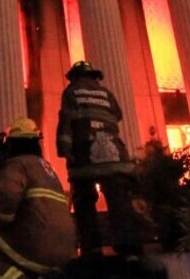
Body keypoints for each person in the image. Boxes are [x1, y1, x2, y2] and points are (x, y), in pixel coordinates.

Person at [57, 60, 142, 263]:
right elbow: (118, 116)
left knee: (84, 200)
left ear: (74, 77)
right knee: (119, 201)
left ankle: (91, 247)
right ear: (94, 77)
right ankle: (129, 248)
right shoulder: (106, 94)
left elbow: (66, 124)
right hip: (115, 157)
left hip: (85, 157)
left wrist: (64, 149)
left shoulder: (71, 93)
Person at [0, 117, 75, 279]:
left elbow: (7, 198)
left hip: (40, 248)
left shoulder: (16, 165)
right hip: (66, 252)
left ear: (12, 144)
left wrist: (0, 221)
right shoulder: (47, 168)